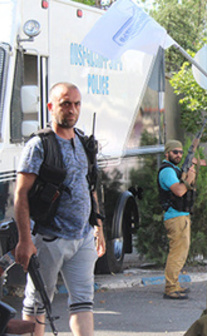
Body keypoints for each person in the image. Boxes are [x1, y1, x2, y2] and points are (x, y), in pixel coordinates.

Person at [14, 82, 106, 336]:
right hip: (49, 236)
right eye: (66, 104)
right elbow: (21, 194)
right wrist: (24, 241)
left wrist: (98, 229)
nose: (72, 110)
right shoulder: (40, 145)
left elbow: (91, 188)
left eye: (76, 104)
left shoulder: (85, 143)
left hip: (83, 237)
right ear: (51, 107)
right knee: (37, 304)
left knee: (83, 302)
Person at [158, 140, 196, 300]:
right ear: (167, 153)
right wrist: (190, 178)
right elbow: (180, 191)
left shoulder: (173, 169)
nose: (179, 155)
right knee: (177, 253)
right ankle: (171, 287)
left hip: (180, 215)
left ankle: (175, 284)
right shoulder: (167, 171)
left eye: (181, 152)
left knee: (181, 252)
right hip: (175, 217)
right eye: (175, 152)